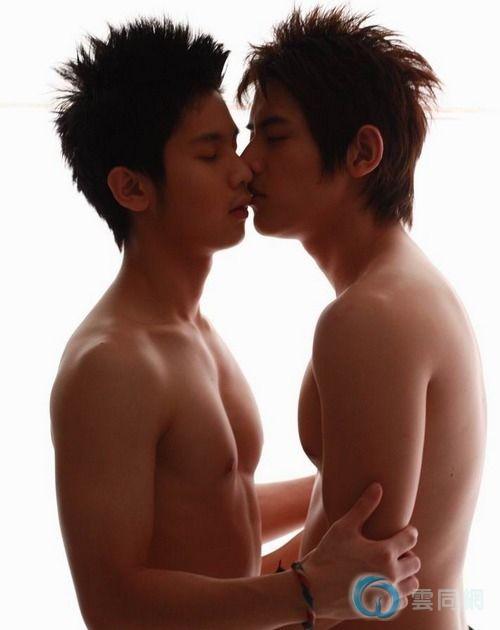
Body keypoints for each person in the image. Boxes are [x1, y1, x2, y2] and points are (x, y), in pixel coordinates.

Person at [49, 16, 421, 629]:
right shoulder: (113, 363)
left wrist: (348, 486)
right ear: (133, 188)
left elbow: (218, 505)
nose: (243, 169)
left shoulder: (194, 331)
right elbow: (111, 604)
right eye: (210, 153)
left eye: (234, 143)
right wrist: (306, 592)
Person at [237, 5, 486, 630]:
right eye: (248, 135)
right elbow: (333, 548)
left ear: (362, 151)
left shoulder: (370, 317)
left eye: (273, 135)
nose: (247, 160)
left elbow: (353, 584)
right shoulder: (400, 290)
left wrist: (182, 608)